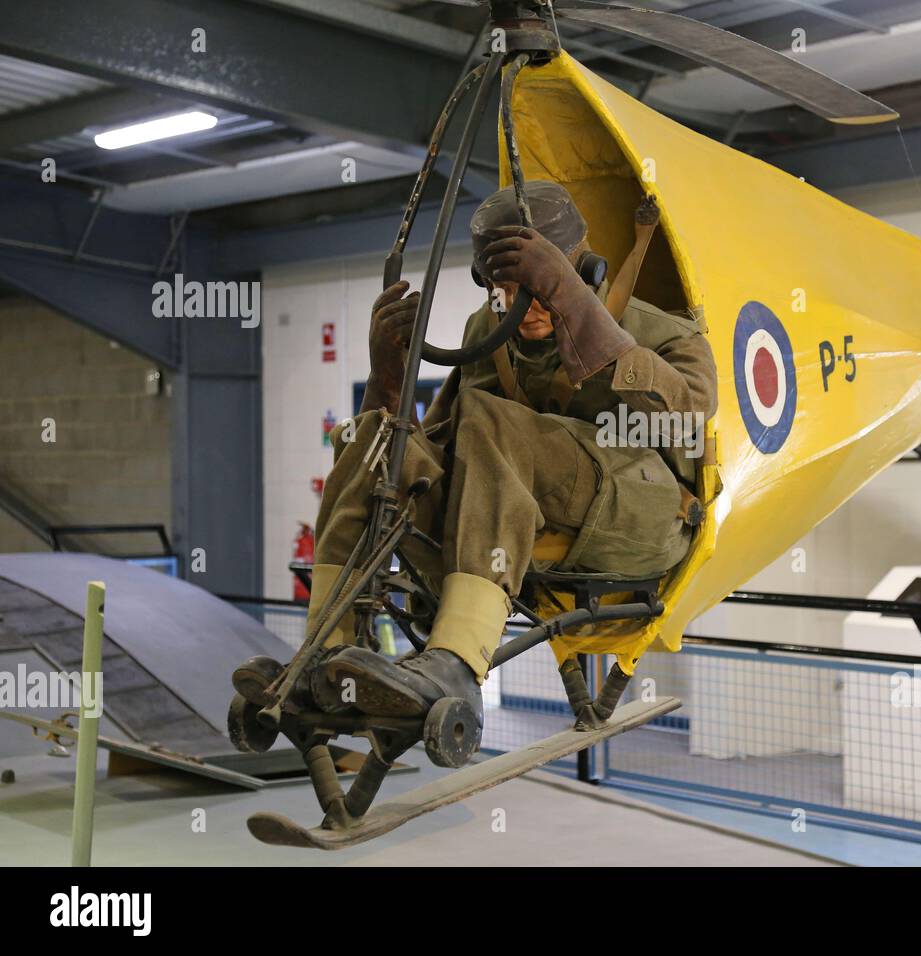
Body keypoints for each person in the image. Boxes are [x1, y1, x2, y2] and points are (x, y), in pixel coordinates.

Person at [243, 181, 717, 755]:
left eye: (539, 289)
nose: (523, 306)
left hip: (644, 518)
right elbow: (433, 446)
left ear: (583, 272)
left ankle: (457, 665)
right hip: (536, 515)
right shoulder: (487, 336)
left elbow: (690, 414)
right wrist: (386, 380)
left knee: (491, 418)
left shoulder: (659, 329)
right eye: (507, 291)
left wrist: (576, 308)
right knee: (375, 438)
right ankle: (324, 653)